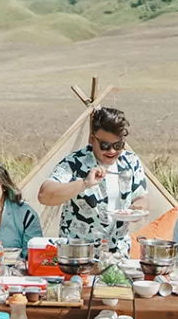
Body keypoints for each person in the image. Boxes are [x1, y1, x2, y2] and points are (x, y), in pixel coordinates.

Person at [37, 106, 149, 257]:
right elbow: (45, 195)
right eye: (105, 145)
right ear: (91, 139)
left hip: (118, 252)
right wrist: (84, 183)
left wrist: (137, 209)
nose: (111, 151)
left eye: (118, 145)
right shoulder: (75, 162)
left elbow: (141, 196)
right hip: (78, 254)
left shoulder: (130, 162)